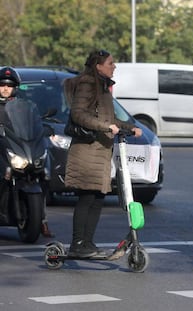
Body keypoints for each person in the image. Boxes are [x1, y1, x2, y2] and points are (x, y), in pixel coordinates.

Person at [64, 50, 142, 258]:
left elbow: (111, 118)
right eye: (110, 63)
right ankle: (77, 243)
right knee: (87, 196)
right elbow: (78, 114)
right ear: (98, 66)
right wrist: (104, 126)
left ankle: (87, 243)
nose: (114, 66)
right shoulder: (88, 84)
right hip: (87, 151)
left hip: (100, 151)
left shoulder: (104, 87)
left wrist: (129, 127)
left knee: (97, 197)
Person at [0, 66, 54, 237]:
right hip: (1, 148)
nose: (6, 88)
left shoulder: (25, 105)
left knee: (44, 175)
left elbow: (32, 123)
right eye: (2, 85)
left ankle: (41, 219)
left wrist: (44, 128)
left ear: (15, 87)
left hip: (17, 147)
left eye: (9, 85)